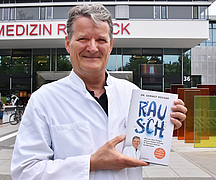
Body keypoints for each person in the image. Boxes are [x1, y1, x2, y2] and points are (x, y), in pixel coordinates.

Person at [11, 4, 187, 180]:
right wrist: (91, 163)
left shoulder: (132, 93)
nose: (93, 48)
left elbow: (143, 153)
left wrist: (163, 129)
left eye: (101, 40)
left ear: (110, 46)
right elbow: (25, 171)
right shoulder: (44, 100)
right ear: (67, 43)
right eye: (83, 39)